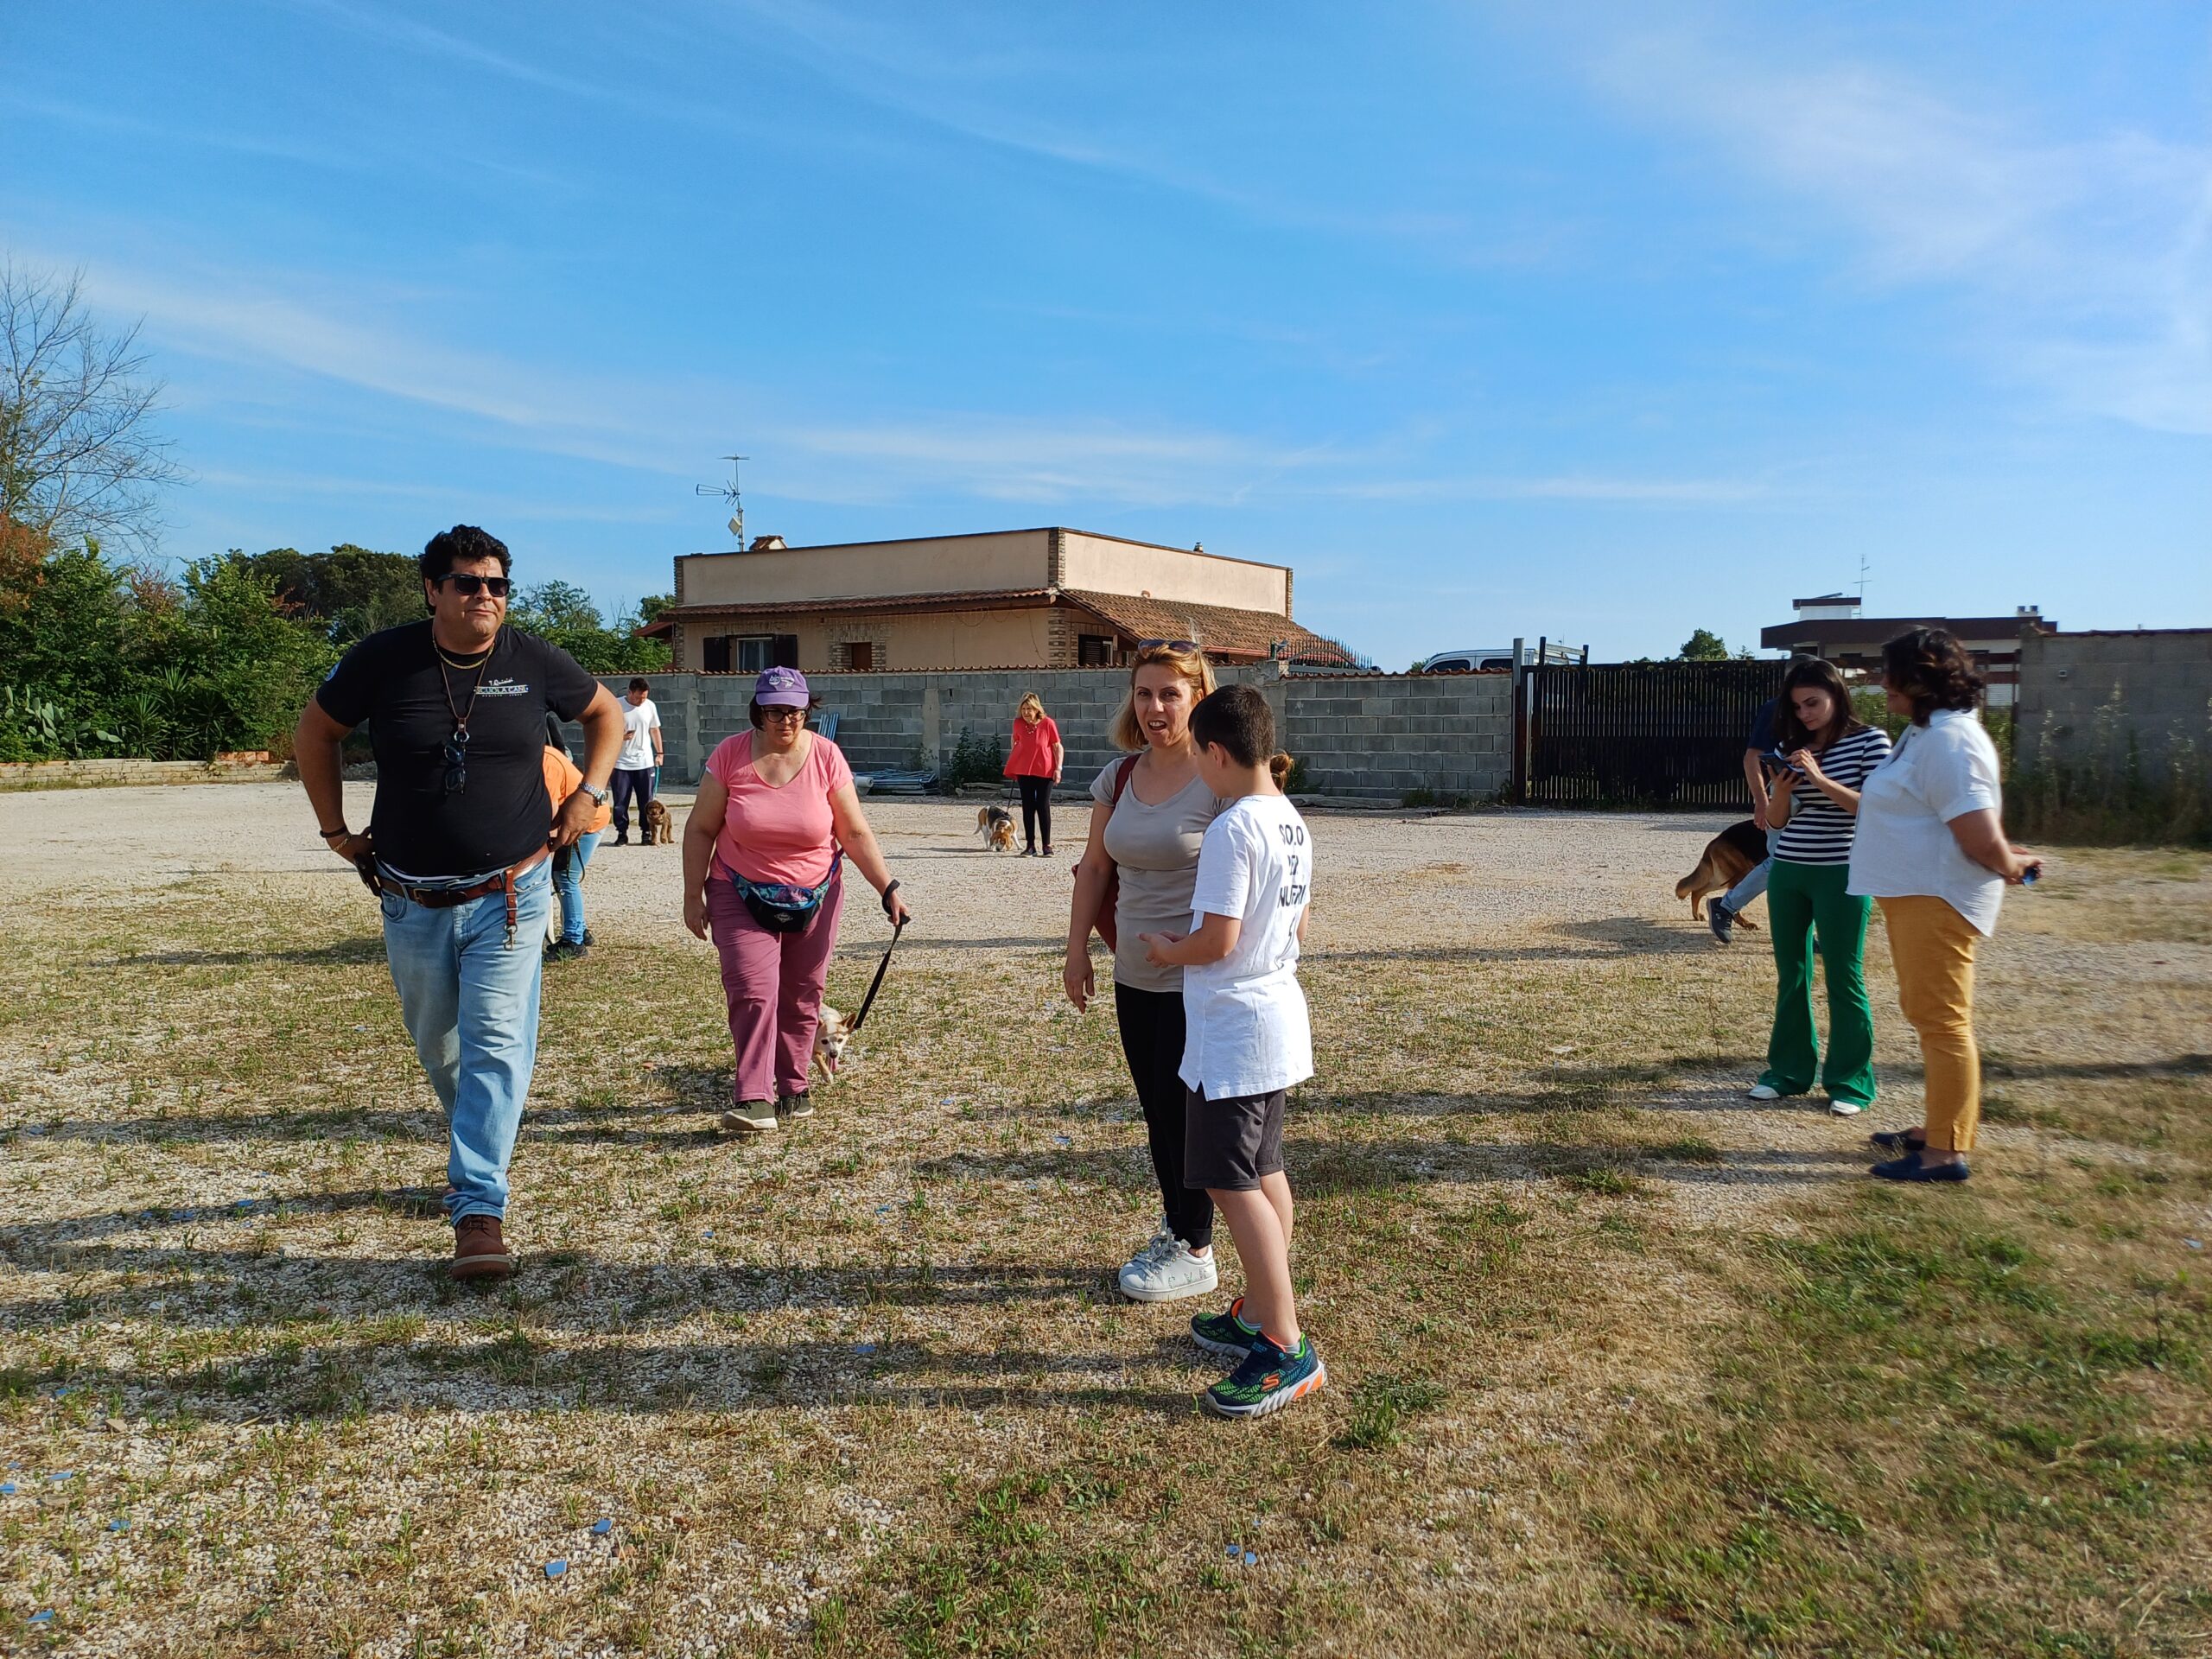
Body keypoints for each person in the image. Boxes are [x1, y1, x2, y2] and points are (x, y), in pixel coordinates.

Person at [293, 524, 624, 1280]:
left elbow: (605, 715)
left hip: (511, 891)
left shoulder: (534, 659)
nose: (486, 595)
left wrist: (591, 794)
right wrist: (337, 831)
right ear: (434, 590)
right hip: (410, 897)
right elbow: (316, 732)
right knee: (441, 1046)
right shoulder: (385, 659)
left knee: (498, 1044)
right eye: (470, 582)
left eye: (498, 584)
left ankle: (479, 1207)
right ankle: (478, 1142)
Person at [1140, 684, 1324, 1419]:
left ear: (1216, 753)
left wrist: (1164, 949)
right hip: (1277, 1015)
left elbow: (1215, 940)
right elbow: (1299, 923)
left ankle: (1284, 1343)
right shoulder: (1290, 818)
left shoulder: (1233, 828)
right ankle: (1259, 1309)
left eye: (1201, 760)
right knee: (1264, 1166)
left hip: (1233, 1028)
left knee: (1224, 1178)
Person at [683, 666, 912, 1132]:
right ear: (758, 711)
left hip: (816, 892)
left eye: (795, 711)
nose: (785, 721)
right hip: (737, 886)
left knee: (803, 993)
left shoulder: (827, 757)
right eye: (774, 711)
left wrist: (887, 886)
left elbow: (852, 830)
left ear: (808, 710)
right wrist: (693, 893)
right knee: (752, 991)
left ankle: (793, 1084)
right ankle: (754, 1096)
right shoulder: (730, 755)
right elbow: (701, 827)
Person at [1065, 640, 1224, 1303]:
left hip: (1196, 977)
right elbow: (1096, 867)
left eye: (1170, 694)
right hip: (1135, 973)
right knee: (1159, 1112)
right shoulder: (1121, 775)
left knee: (1191, 1115)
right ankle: (1180, 1229)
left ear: (1198, 699)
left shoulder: (1221, 775)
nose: (1155, 707)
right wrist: (1076, 950)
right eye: (1144, 693)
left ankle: (1196, 1248)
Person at [1850, 629, 2039, 1182]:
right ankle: (1939, 1130)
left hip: (1937, 898)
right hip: (1916, 896)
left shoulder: (1952, 741)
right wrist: (2007, 854)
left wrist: (2010, 864)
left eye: (1889, 674)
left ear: (1920, 677)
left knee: (1943, 1022)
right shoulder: (1927, 733)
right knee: (1930, 1016)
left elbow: (1977, 834)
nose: (1881, 684)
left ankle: (1945, 1152)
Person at [1745, 657, 1891, 1116]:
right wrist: (1782, 789)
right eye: (1798, 706)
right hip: (1789, 869)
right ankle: (1787, 1073)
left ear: (1837, 697)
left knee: (1844, 975)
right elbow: (1776, 821)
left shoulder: (1872, 741)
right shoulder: (1791, 745)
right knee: (1793, 974)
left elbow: (1874, 809)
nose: (1805, 713)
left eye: (1813, 703)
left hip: (1844, 872)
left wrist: (1820, 778)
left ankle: (1850, 1083)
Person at [1709, 692, 1782, 944]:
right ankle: (1727, 905)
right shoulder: (1775, 708)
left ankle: (1810, 931)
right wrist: (1762, 801)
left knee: (1809, 863)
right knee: (1781, 860)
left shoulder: (1830, 709)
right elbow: (1752, 756)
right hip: (1784, 793)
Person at [543, 714, 611, 962]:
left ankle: (573, 940)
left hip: (587, 821)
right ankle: (580, 928)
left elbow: (548, 815)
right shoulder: (544, 756)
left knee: (564, 877)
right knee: (563, 876)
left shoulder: (545, 760)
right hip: (582, 817)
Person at [1003, 692, 1064, 856]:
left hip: (1045, 770)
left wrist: (1058, 768)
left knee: (1043, 806)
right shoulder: (1018, 723)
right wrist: (1015, 758)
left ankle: (1047, 845)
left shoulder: (1048, 723)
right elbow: (1014, 740)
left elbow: (1057, 746)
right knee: (1028, 807)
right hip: (1024, 770)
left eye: (1029, 708)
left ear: (1037, 709)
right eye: (1023, 708)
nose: (1026, 712)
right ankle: (1030, 845)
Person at [612, 677, 663, 846]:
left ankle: (646, 832)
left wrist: (660, 752)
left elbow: (654, 730)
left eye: (644, 697)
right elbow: (606, 731)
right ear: (630, 692)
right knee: (620, 801)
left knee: (646, 800)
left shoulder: (650, 706)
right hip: (621, 763)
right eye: (638, 697)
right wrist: (621, 737)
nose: (641, 701)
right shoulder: (617, 706)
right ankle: (622, 833)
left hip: (645, 762)